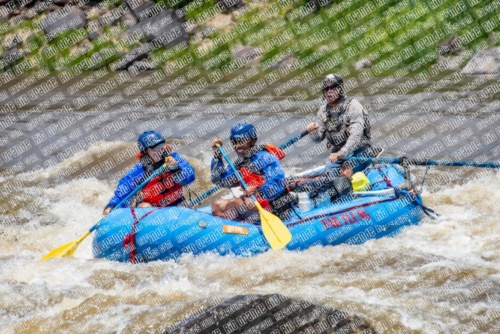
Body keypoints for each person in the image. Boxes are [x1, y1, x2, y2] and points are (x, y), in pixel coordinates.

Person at [210, 122, 297, 222]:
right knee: (216, 205)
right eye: (234, 142)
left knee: (235, 203)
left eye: (241, 141)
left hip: (274, 205)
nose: (237, 146)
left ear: (252, 141)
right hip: (253, 203)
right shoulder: (239, 164)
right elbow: (219, 181)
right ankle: (234, 229)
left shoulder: (265, 157)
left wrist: (258, 190)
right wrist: (217, 156)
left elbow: (277, 184)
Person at [102, 131, 195, 216]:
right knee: (144, 207)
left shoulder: (174, 159)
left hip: (175, 204)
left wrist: (176, 168)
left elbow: (190, 176)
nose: (160, 151)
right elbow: (123, 191)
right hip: (151, 208)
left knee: (189, 206)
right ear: (145, 151)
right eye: (155, 148)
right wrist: (112, 206)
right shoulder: (140, 169)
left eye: (161, 146)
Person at [305, 73, 379, 177]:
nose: (329, 91)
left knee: (346, 171)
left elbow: (356, 135)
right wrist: (312, 132)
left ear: (340, 89)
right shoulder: (323, 111)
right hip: (337, 152)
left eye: (333, 87)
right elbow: (319, 138)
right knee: (329, 176)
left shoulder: (353, 105)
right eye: (326, 89)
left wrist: (341, 153)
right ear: (324, 92)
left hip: (360, 150)